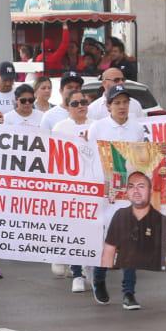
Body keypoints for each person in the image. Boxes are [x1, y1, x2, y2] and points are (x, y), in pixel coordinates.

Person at [87, 85, 147, 309]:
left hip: (129, 192)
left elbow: (140, 159)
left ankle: (129, 292)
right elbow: (91, 159)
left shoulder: (137, 128)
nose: (122, 107)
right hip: (107, 193)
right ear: (108, 106)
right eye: (117, 103)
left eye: (125, 102)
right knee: (109, 241)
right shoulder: (98, 127)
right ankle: (99, 278)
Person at [101, 170, 166, 274]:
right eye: (132, 187)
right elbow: (109, 248)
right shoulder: (120, 214)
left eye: (141, 186)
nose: (136, 191)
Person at [52, 88, 94, 292]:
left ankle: (89, 269)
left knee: (93, 230)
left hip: (93, 185)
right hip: (70, 187)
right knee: (75, 230)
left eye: (83, 102)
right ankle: (77, 273)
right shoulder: (61, 127)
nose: (81, 107)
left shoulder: (96, 126)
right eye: (75, 104)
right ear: (68, 107)